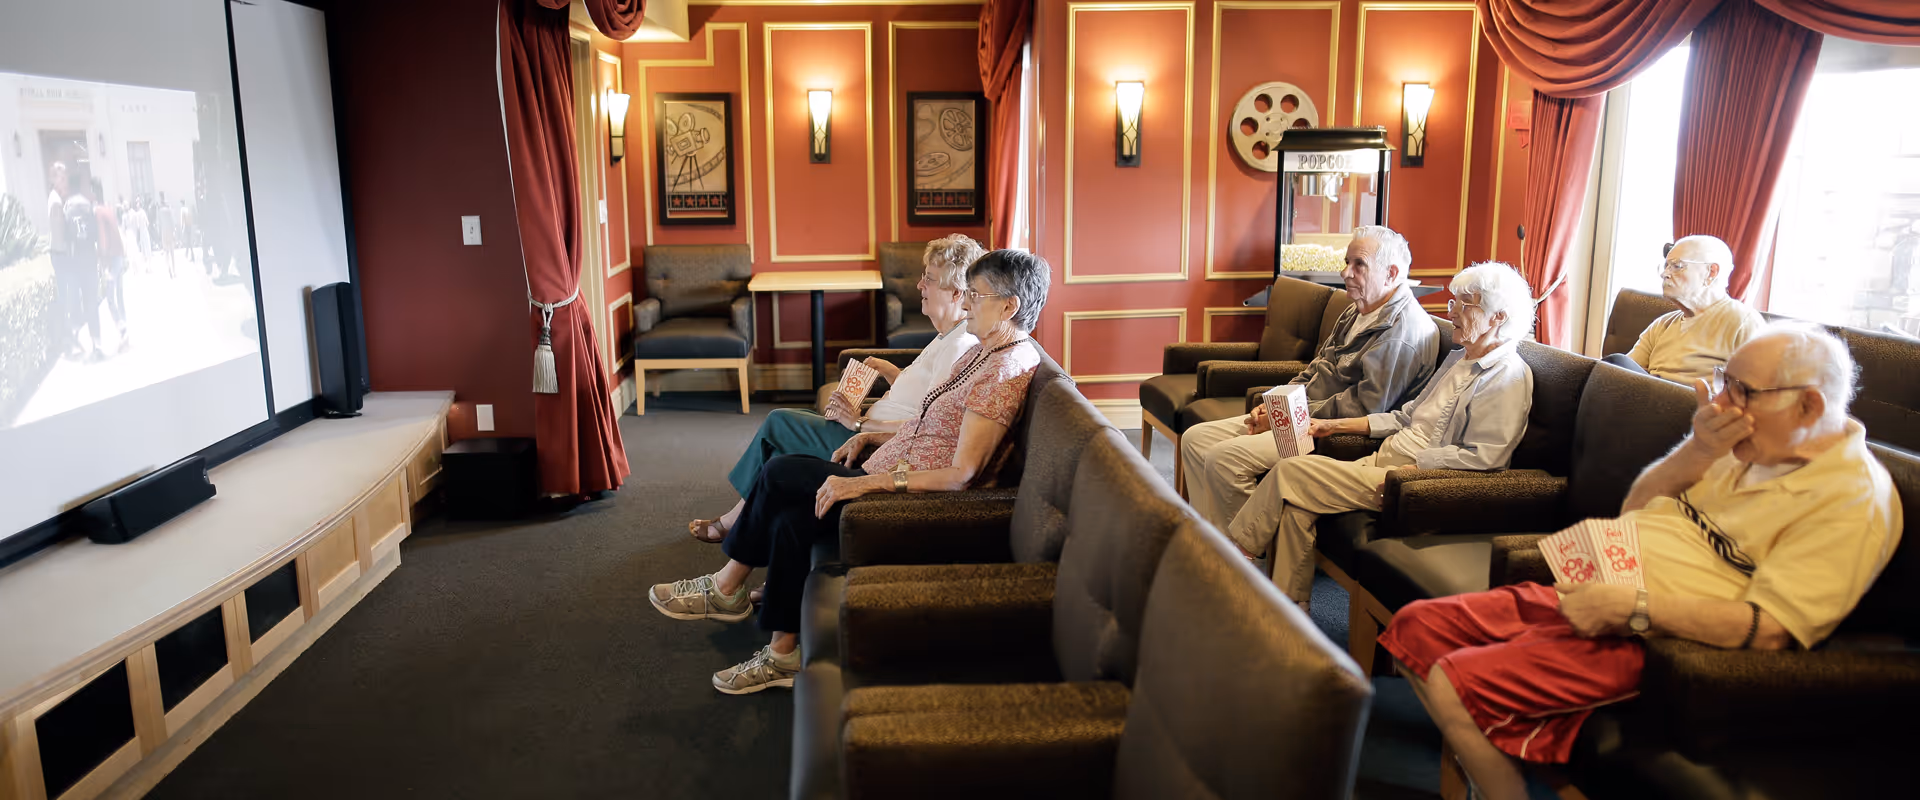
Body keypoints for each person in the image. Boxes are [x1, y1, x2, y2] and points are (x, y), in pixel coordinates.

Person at [1380, 324, 1901, 800]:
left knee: (1453, 680)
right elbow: (1638, 504)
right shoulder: (1744, 440)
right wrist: (1697, 448)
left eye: (1742, 391)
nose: (1722, 402)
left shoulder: (1851, 497)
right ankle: (1500, 746)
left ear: (1809, 406)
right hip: (1606, 585)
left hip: (1655, 637)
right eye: (1725, 381)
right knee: (1414, 628)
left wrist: (1632, 606)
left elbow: (1770, 630)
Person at [649, 249, 1050, 695]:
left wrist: (867, 482)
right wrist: (871, 438)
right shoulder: (982, 354)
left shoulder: (1004, 368)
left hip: (909, 500)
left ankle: (727, 591)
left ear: (1009, 306)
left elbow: (962, 472)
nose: (968, 303)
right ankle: (782, 653)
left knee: (782, 473)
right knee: (791, 515)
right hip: (891, 463)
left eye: (976, 294)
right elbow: (931, 424)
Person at [1227, 262, 1536, 605]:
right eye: (1454, 304)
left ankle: (1233, 558)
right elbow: (1406, 416)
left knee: (1289, 470)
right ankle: (1287, 614)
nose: (1454, 313)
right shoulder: (1459, 359)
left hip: (1411, 484)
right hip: (1384, 459)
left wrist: (1415, 472)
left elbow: (1486, 457)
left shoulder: (1507, 376)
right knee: (1296, 511)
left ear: (1498, 318)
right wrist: (1334, 425)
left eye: (1466, 305)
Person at [686, 234, 985, 544]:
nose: (920, 286)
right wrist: (892, 372)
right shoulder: (945, 337)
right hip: (864, 427)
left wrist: (858, 424)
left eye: (929, 280)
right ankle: (741, 522)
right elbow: (922, 397)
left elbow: (928, 426)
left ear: (956, 293)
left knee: (779, 423)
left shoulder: (959, 346)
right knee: (781, 439)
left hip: (872, 445)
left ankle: (735, 523)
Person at [1180, 225, 1441, 533]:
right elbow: (1316, 368)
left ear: (1391, 273)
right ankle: (1217, 541)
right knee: (1195, 440)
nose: (1346, 272)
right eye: (1347, 262)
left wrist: (1287, 417)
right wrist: (1274, 403)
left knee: (1225, 459)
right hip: (1301, 418)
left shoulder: (1402, 333)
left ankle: (1246, 561)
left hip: (1339, 437)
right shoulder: (1357, 309)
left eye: (1359, 264)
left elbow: (1364, 408)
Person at [1605, 234, 1765, 384]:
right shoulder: (1662, 324)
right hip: (1647, 403)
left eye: (1677, 266)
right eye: (1666, 266)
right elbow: (1619, 373)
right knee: (1609, 369)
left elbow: (1759, 392)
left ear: (1711, 272)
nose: (1664, 274)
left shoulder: (1743, 322)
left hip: (1697, 409)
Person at [90, 179, 129, 352]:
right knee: (119, 296)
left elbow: (102, 238)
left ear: (93, 192)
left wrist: (101, 260)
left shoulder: (97, 211)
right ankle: (125, 330)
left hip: (112, 259)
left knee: (109, 297)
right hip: (119, 256)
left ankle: (122, 329)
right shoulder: (109, 208)